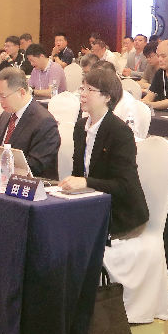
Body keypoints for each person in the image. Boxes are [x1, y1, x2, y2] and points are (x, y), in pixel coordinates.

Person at [59, 66, 148, 237]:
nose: (83, 94)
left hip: (120, 213)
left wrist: (86, 182)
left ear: (107, 97)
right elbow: (79, 173)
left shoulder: (120, 131)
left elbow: (124, 185)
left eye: (90, 90)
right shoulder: (80, 127)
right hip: (91, 204)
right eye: (82, 88)